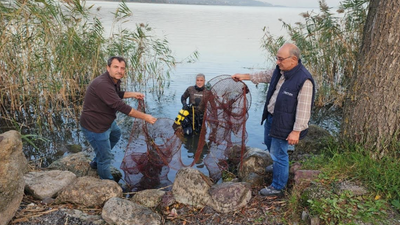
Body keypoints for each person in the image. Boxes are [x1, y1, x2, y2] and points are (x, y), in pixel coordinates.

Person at [232, 43, 315, 196]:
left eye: (280, 59)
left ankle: (277, 187)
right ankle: (278, 167)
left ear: (294, 59)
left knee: (279, 154)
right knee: (270, 144)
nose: (277, 62)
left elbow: (304, 110)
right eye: (277, 58)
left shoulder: (304, 80)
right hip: (272, 118)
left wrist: (296, 131)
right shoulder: (281, 70)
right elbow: (264, 75)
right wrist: (243, 76)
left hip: (285, 124)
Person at [80, 56, 157, 181]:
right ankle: (108, 183)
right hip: (95, 127)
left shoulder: (113, 81)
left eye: (122, 68)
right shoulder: (102, 84)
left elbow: (116, 95)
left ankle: (96, 162)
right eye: (116, 67)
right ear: (108, 68)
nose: (119, 71)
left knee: (116, 134)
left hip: (106, 122)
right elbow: (120, 106)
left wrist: (133, 94)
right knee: (106, 159)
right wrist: (145, 117)